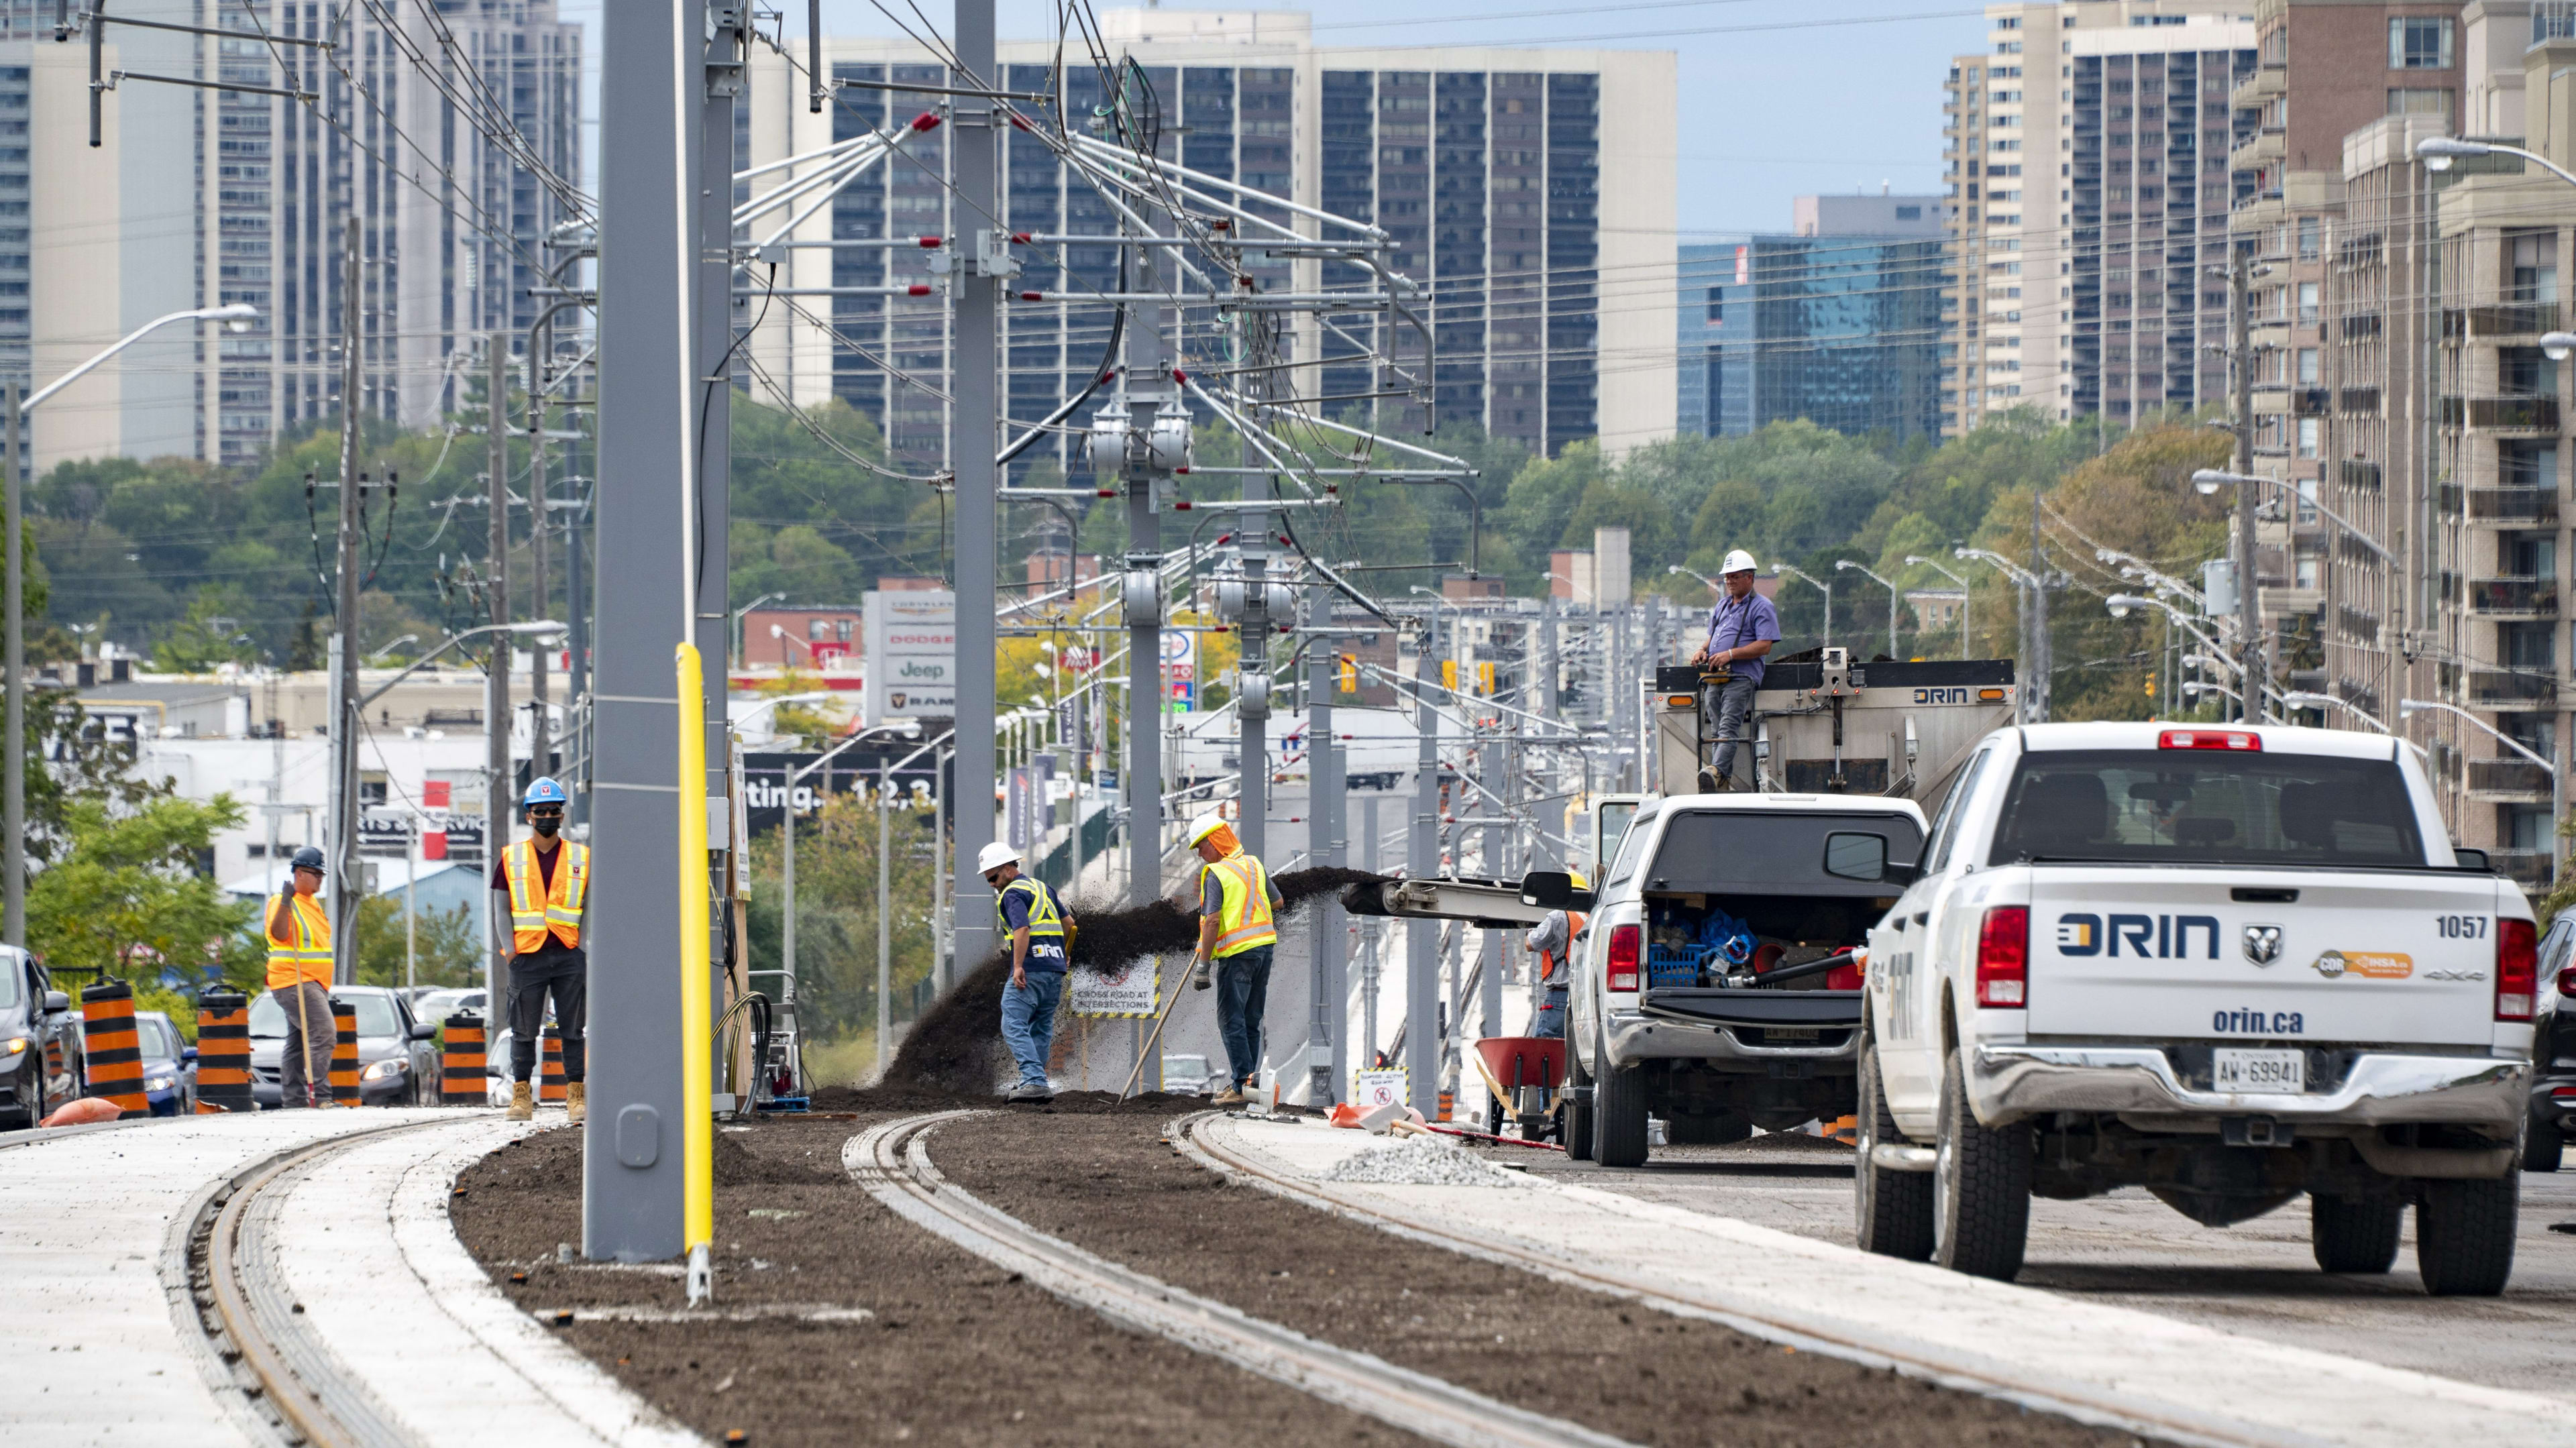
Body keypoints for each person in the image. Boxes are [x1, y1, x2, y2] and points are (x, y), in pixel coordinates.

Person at [492, 777, 589, 1123]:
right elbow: (501, 907)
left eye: (553, 811)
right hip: (527, 957)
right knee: (523, 1030)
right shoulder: (512, 857)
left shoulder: (581, 857)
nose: (547, 816)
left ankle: (576, 1098)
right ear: (529, 816)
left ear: (561, 815)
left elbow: (591, 905)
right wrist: (510, 951)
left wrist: (584, 946)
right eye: (540, 811)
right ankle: (521, 1098)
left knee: (573, 1030)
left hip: (568, 954)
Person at [1184, 814, 1282, 1107]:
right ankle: (1252, 1085)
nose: (1200, 855)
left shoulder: (1216, 873)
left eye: (1201, 847)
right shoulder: (1253, 865)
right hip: (1264, 950)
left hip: (1237, 955)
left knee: (1230, 1020)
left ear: (1215, 842)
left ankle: (1241, 1086)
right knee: (1251, 1020)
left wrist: (1203, 967)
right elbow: (1276, 901)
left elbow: (1212, 920)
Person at [981, 840, 1075, 1103]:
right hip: (1054, 971)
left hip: (1031, 969)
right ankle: (1037, 1082)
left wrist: (1019, 966)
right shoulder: (1043, 888)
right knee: (1041, 1028)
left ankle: (1033, 1081)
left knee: (1012, 1022)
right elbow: (1070, 925)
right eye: (988, 879)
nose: (991, 884)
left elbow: (1022, 929)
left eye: (993, 877)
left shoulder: (1012, 894)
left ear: (1008, 869)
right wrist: (1064, 953)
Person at [1688, 549, 1780, 793]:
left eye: (1735, 577)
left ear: (1750, 577)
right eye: (1727, 577)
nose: (1729, 582)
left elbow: (1765, 645)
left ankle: (1715, 772)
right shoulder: (1722, 606)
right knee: (1716, 729)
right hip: (1715, 676)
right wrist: (1702, 650)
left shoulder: (1762, 607)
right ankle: (1722, 778)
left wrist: (1730, 654)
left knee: (1728, 727)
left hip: (1741, 676)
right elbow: (1712, 637)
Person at [264, 846, 335, 1109]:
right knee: (324, 1033)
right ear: (299, 873)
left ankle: (294, 1101)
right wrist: (285, 901)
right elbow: (280, 933)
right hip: (294, 980)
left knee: (297, 1044)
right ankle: (322, 1097)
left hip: (313, 982)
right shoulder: (283, 901)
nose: (319, 878)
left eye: (321, 874)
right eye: (315, 873)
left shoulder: (313, 904)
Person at [1522, 871, 1589, 1040]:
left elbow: (1531, 944)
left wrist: (1530, 932)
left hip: (1560, 996)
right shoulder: (1592, 918)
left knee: (1546, 1049)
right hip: (1586, 998)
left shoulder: (1557, 916)